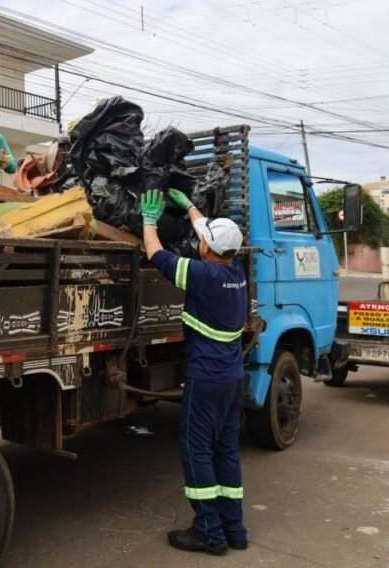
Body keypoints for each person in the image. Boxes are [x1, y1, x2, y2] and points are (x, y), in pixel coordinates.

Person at [140, 188, 249, 556]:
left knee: (196, 451)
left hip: (206, 381)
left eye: (203, 240)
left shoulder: (202, 275)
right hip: (233, 380)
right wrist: (189, 207)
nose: (200, 241)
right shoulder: (236, 270)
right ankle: (234, 529)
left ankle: (209, 533)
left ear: (206, 249)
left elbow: (156, 254)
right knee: (226, 451)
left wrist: (149, 220)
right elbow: (209, 233)